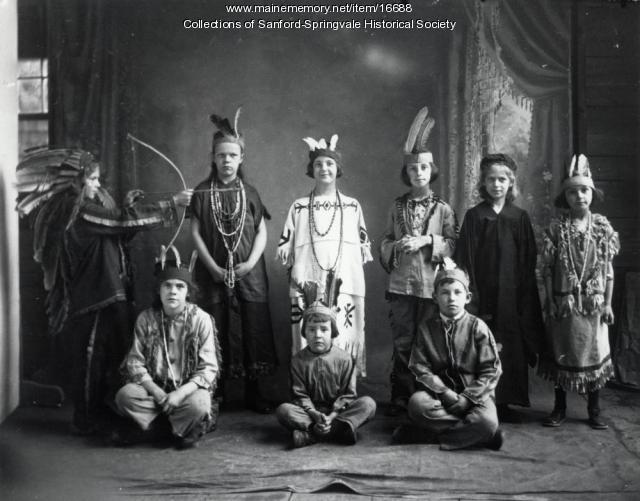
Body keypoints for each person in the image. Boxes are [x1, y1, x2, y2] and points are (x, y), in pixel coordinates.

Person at [15, 148, 193, 435]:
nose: (98, 185)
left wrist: (126, 206)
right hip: (93, 297)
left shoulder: (87, 209)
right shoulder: (80, 211)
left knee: (110, 355)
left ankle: (102, 411)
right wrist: (170, 203)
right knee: (91, 358)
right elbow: (120, 221)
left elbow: (116, 232)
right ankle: (86, 418)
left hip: (108, 292)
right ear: (77, 182)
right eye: (93, 179)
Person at [190, 110, 277, 413]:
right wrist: (212, 267)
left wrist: (252, 262)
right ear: (213, 158)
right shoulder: (202, 192)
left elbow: (262, 230)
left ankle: (256, 393)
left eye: (233, 155)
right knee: (216, 328)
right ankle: (219, 392)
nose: (227, 160)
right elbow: (196, 232)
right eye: (221, 155)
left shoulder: (249, 192)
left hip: (249, 273)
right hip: (212, 272)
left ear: (241, 158)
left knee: (254, 328)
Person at [380, 107, 458, 415]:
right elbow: (383, 241)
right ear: (407, 173)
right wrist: (396, 246)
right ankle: (401, 395)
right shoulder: (396, 206)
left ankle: (428, 394)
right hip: (401, 285)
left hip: (430, 286)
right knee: (403, 341)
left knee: (428, 342)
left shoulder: (443, 209)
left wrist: (427, 240)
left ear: (432, 170)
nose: (419, 173)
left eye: (424, 168)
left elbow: (453, 244)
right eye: (414, 169)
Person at [455, 153, 544, 423]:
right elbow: (465, 258)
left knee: (510, 343)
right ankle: (480, 399)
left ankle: (505, 401)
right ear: (483, 182)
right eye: (491, 179)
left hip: (511, 295)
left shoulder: (519, 217)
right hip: (482, 293)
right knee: (481, 343)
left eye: (502, 179)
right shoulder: (475, 216)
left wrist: (521, 296)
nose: (497, 184)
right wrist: (472, 297)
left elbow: (528, 260)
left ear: (510, 182)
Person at [277, 134, 372, 376]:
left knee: (343, 331)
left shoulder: (352, 206)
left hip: (344, 280)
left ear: (337, 168)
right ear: (312, 169)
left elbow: (362, 248)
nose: (324, 169)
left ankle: (344, 386)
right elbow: (286, 245)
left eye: (329, 164)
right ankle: (307, 385)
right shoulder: (299, 206)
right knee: (311, 331)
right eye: (318, 164)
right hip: (308, 277)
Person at [538, 154, 619, 430]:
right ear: (565, 197)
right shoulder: (556, 229)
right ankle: (559, 407)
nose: (579, 197)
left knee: (593, 353)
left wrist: (607, 303)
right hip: (564, 305)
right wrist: (549, 301)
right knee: (562, 353)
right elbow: (546, 270)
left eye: (584, 191)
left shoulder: (602, 228)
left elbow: (608, 269)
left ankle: (594, 409)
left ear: (592, 194)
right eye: (572, 192)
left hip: (593, 306)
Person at [392, 259, 504, 451]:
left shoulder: (478, 327)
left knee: (487, 421)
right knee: (417, 405)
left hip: (475, 397)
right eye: (445, 293)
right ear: (435, 298)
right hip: (439, 399)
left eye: (457, 292)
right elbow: (419, 367)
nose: (451, 298)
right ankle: (479, 436)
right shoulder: (426, 328)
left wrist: (468, 398)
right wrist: (444, 392)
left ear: (467, 297)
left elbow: (491, 370)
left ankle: (427, 435)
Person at [114, 247, 219, 449]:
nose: (173, 291)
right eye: (167, 286)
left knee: (200, 404)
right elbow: (135, 362)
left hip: (186, 391)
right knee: (125, 396)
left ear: (188, 292)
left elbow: (208, 368)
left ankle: (155, 430)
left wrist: (180, 394)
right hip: (154, 391)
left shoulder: (201, 319)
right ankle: (176, 430)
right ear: (158, 290)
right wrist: (156, 392)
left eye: (180, 286)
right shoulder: (146, 318)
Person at [275, 301, 377, 448]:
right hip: (310, 415)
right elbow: (299, 395)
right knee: (283, 410)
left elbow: (348, 395)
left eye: (324, 329)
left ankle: (312, 435)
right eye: (311, 330)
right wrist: (315, 415)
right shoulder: (298, 361)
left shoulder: (345, 359)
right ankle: (336, 432)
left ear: (333, 332)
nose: (317, 335)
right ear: (304, 333)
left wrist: (332, 416)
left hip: (338, 414)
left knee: (368, 404)